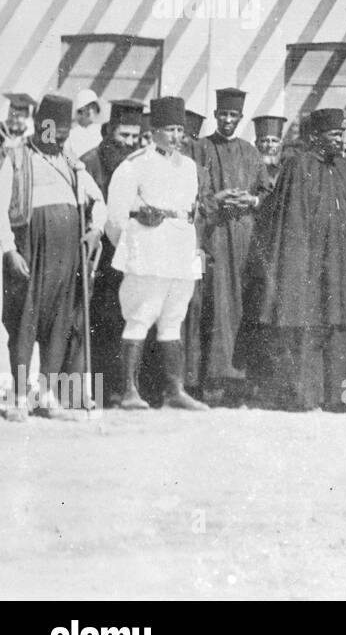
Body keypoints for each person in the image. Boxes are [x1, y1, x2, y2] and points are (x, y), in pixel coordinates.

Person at [236, 108, 346, 412]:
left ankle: (342, 398)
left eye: (341, 135)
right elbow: (290, 222)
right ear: (316, 137)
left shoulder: (344, 167)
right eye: (333, 135)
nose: (340, 141)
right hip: (310, 266)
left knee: (340, 328)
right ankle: (306, 398)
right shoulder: (298, 165)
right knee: (307, 329)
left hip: (340, 264)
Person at [0, 95, 106, 419]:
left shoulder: (72, 163)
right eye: (52, 129)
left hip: (68, 255)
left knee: (60, 323)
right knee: (23, 322)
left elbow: (98, 201)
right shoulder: (17, 158)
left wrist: (96, 230)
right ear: (39, 125)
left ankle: (47, 395)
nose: (58, 137)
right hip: (31, 252)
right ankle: (18, 397)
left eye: (63, 131)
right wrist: (9, 250)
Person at [103, 96, 206, 412]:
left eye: (180, 130)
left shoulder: (188, 166)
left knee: (173, 318)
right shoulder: (134, 165)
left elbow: (190, 211)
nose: (177, 136)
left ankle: (174, 390)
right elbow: (116, 219)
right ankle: (129, 390)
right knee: (140, 315)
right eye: (170, 130)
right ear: (155, 130)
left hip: (180, 251)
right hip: (148, 250)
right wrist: (135, 249)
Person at [191, 88, 273, 404]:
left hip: (245, 238)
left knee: (243, 305)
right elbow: (196, 194)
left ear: (240, 119)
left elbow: (267, 193)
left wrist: (251, 199)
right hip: (213, 236)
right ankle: (211, 378)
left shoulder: (251, 152)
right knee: (214, 305)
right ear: (215, 116)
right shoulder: (201, 148)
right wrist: (219, 200)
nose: (227, 120)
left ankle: (239, 379)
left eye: (233, 116)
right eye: (223, 114)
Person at [81, 99, 144, 401]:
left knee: (123, 319)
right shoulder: (88, 162)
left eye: (134, 137)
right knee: (96, 321)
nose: (129, 143)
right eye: (123, 136)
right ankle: (93, 390)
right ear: (108, 132)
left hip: (126, 256)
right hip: (97, 256)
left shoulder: (136, 166)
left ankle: (120, 388)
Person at [65, 89, 101, 160]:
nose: (91, 111)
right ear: (80, 110)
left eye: (94, 107)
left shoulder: (100, 130)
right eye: (88, 108)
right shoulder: (71, 133)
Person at [252, 115, 288, 185]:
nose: (270, 145)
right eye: (264, 141)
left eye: (274, 141)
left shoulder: (287, 169)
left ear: (281, 144)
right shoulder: (249, 169)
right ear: (256, 144)